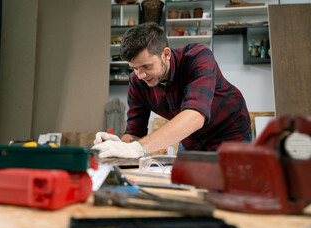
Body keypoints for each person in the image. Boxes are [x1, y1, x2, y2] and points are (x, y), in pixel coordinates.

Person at [92, 22, 251, 158]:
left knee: (232, 187)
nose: (140, 75)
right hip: (192, 138)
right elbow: (135, 131)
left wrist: (136, 148)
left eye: (146, 66)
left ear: (166, 54)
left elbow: (195, 115)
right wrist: (120, 145)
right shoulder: (137, 80)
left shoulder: (198, 57)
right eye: (134, 68)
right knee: (188, 184)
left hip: (230, 131)